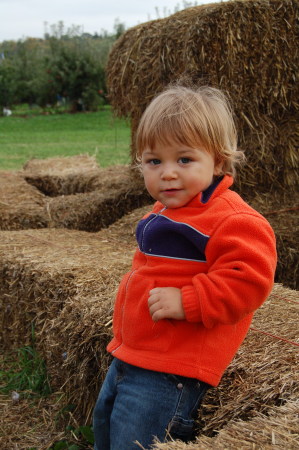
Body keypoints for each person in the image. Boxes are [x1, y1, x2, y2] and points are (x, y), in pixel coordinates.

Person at [93, 84, 277, 449]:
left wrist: (188, 301)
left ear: (219, 162)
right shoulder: (167, 212)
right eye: (154, 161)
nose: (168, 173)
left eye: (184, 160)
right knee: (105, 431)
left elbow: (249, 281)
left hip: (171, 370)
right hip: (134, 354)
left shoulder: (231, 219)